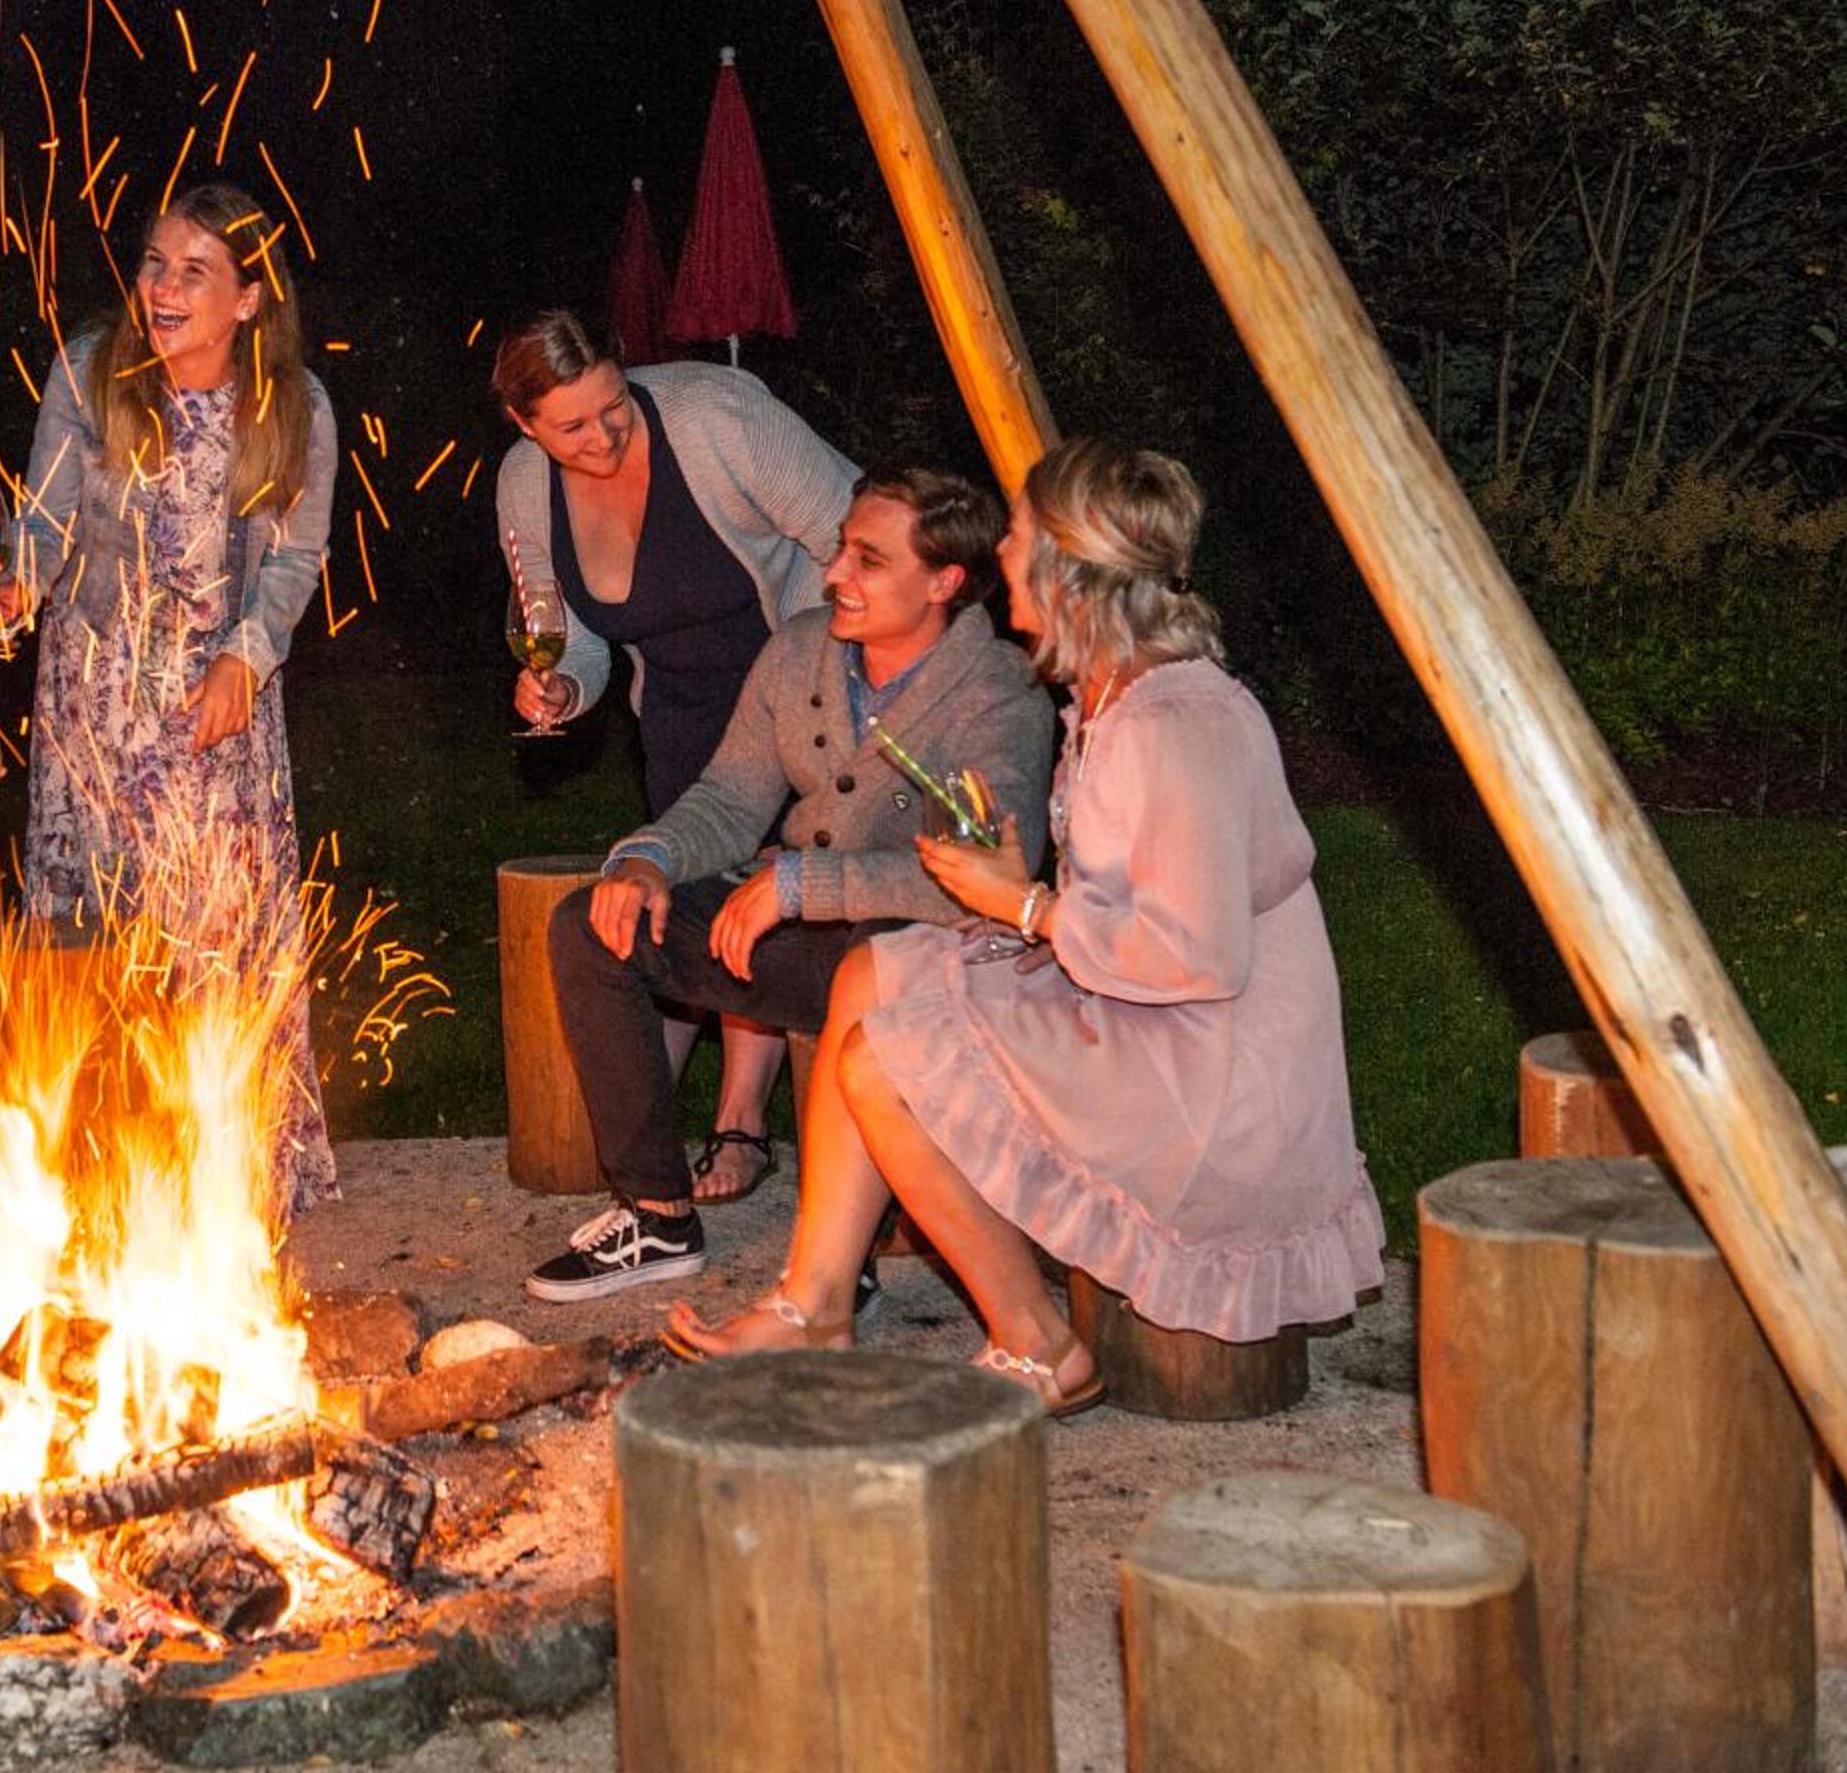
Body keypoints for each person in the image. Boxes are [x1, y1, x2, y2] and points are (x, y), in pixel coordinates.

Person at [668, 441, 1387, 1410]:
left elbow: (1199, 957)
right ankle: (815, 1302)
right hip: (1142, 1007)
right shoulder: (1110, 688)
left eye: (1015, 536)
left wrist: (1027, 906)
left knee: (885, 1064)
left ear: (1066, 569)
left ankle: (1038, 1343)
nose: (999, 551)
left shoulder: (1179, 725)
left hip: (1214, 1074)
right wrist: (1020, 895)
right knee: (873, 973)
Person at [522, 467, 1054, 1302]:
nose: (835, 574)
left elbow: (988, 878)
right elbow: (732, 798)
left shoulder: (998, 693)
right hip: (792, 936)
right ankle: (657, 1215)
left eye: (868, 560)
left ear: (944, 581)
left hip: (923, 964)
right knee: (594, 926)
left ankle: (846, 1257)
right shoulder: (802, 650)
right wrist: (648, 860)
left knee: (876, 961)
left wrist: (805, 883)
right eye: (842, 549)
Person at [0, 183, 339, 1210]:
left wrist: (245, 659)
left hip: (219, 709)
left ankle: (222, 1175)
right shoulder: (91, 372)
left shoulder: (295, 405)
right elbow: (43, 525)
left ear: (250, 299)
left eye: (195, 271)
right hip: (95, 706)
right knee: (94, 940)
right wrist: (13, 584)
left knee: (215, 947)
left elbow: (294, 560)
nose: (164, 287)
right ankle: (98, 1172)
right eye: (154, 263)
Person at [493, 310, 858, 1203]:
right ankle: (675, 1145)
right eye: (572, 427)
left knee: (766, 900)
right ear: (523, 425)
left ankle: (743, 1122)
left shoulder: (717, 418)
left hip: (802, 688)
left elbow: (862, 533)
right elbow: (571, 634)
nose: (604, 436)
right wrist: (562, 687)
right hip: (680, 712)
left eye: (614, 405)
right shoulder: (523, 487)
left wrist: (825, 663)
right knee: (691, 900)